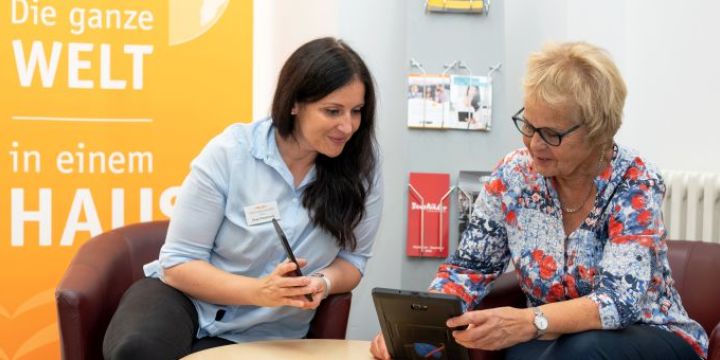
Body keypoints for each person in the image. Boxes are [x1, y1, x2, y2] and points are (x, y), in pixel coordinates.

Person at [371, 41, 707, 360]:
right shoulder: (514, 176)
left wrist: (529, 321)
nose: (534, 144)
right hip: (550, 341)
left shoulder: (635, 181)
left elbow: (619, 302)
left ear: (598, 132)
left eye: (552, 134)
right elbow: (471, 267)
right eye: (529, 126)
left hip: (648, 335)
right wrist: (419, 329)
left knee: (583, 350)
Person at [102, 37, 383, 360]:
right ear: (294, 104)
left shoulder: (362, 170)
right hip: (183, 300)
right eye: (332, 111)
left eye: (356, 111)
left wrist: (322, 282)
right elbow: (178, 263)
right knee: (137, 352)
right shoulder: (231, 153)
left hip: (268, 327)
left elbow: (353, 260)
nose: (347, 126)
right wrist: (259, 291)